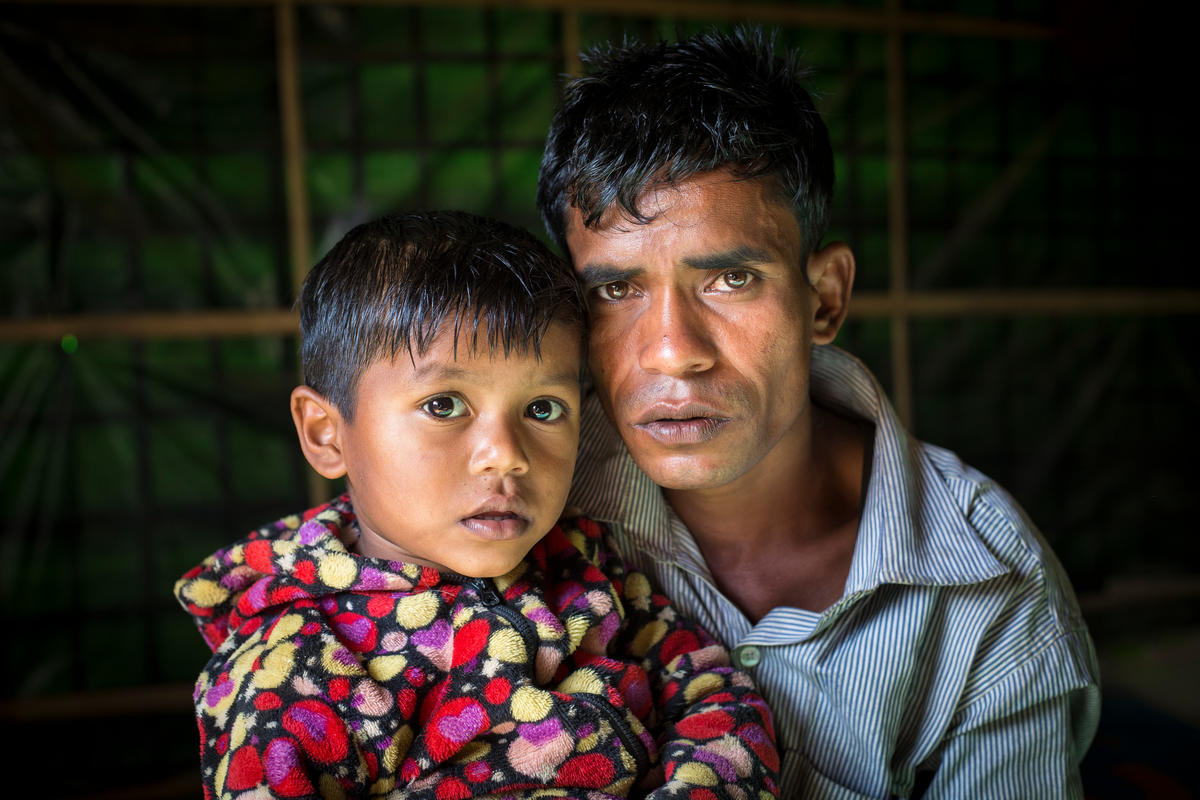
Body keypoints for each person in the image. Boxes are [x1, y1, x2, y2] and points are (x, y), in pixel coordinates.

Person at [537, 28, 1101, 798]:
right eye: (615, 290)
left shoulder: (992, 590)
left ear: (825, 297)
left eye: (730, 280)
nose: (672, 352)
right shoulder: (519, 505)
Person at [173, 211, 781, 799]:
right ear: (327, 432)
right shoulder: (292, 674)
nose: (505, 456)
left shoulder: (587, 566)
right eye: (444, 405)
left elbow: (711, 694)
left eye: (543, 409)